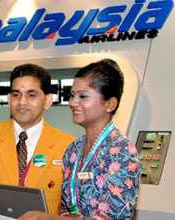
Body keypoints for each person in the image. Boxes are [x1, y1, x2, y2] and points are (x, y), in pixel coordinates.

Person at [18, 59, 141, 220]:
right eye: (72, 95)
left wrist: (46, 219)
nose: (72, 103)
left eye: (83, 96)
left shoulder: (123, 152)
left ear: (110, 104)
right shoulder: (73, 150)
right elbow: (70, 213)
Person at [0, 63, 76, 215]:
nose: (22, 102)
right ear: (9, 99)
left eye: (31, 95)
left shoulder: (69, 146)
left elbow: (74, 206)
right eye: (16, 94)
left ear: (48, 100)